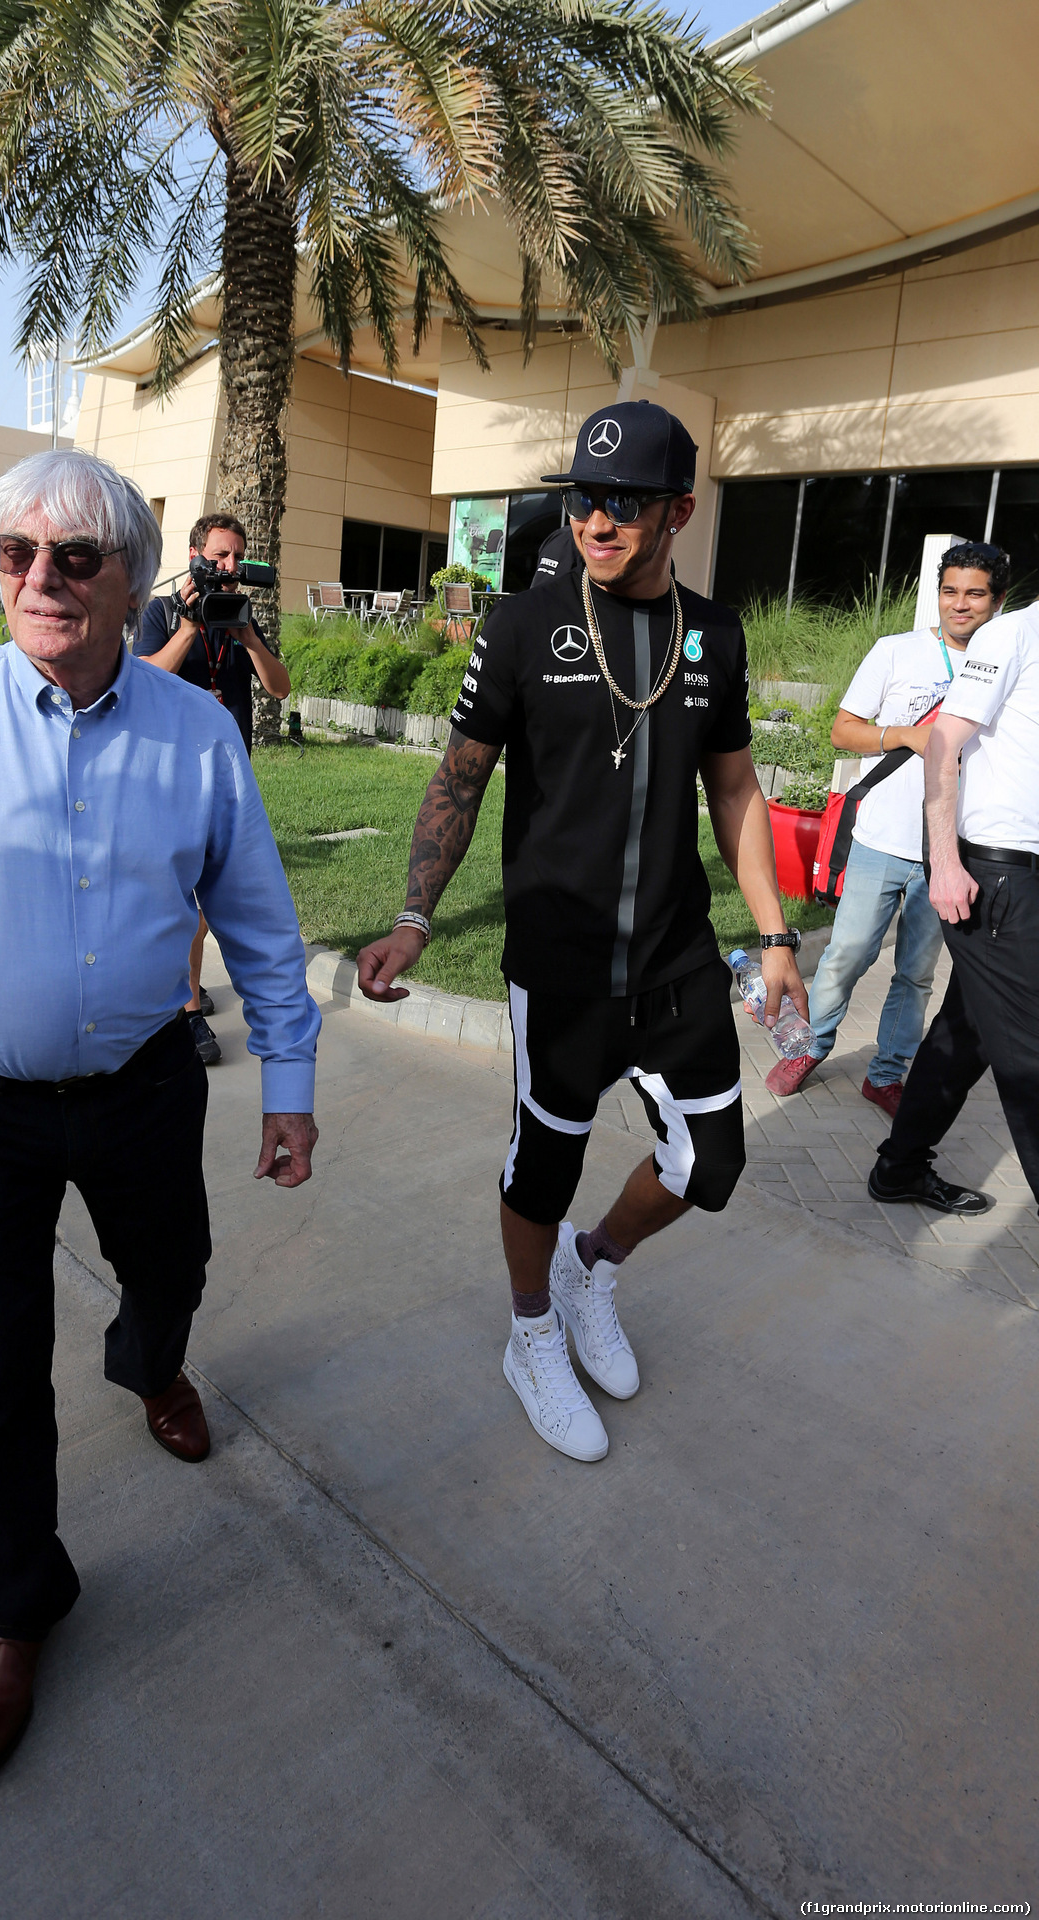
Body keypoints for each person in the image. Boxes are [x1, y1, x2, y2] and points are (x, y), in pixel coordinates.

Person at [0, 449, 320, 1782]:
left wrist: (292, 1082)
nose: (40, 579)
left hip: (149, 1086)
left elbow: (261, 920)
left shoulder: (197, 737)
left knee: (175, 1271)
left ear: (132, 581)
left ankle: (148, 1362)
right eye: (14, 553)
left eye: (75, 556)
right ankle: (15, 1613)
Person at [357, 400, 806, 1463]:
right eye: (581, 500)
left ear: (676, 512)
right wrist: (415, 917)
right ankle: (529, 1335)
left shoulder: (715, 637)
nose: (594, 522)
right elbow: (457, 781)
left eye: (622, 503)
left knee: (710, 1162)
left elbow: (734, 789)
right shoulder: (522, 628)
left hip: (674, 957)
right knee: (537, 1171)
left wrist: (775, 935)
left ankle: (592, 1266)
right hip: (558, 964)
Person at [767, 542, 1009, 1114]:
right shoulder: (895, 652)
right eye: (950, 591)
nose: (960, 604)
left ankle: (887, 1073)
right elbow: (842, 731)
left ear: (997, 602)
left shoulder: (1005, 665)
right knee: (847, 953)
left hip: (947, 852)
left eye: (975, 594)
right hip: (880, 839)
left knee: (917, 972)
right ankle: (808, 1047)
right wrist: (902, 734)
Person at [868, 589, 1039, 1217]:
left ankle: (900, 1168)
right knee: (1029, 1052)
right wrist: (944, 863)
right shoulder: (1012, 636)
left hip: (1026, 876)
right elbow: (943, 746)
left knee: (967, 1031)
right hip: (997, 875)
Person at [134, 512, 292, 1066]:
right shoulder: (161, 612)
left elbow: (280, 686)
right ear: (196, 552)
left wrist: (246, 636)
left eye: (235, 558)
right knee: (187, 900)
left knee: (221, 894)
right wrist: (189, 628)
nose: (228, 567)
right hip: (173, 772)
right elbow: (145, 675)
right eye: (219, 556)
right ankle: (188, 1009)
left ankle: (189, 993)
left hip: (230, 776)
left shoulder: (240, 616)